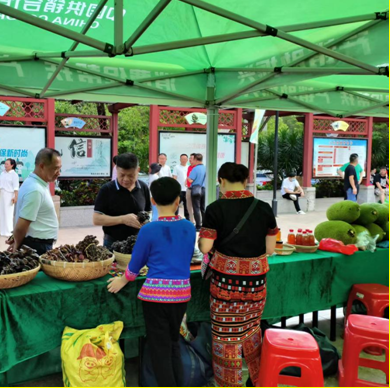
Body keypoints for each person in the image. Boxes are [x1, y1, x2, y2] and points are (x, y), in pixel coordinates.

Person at [108, 177, 194, 387]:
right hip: (181, 295)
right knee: (174, 343)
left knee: (159, 349)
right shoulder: (189, 227)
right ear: (178, 200)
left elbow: (135, 264)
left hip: (155, 299)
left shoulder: (148, 230)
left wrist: (123, 279)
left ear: (153, 201)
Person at [198, 163, 278, 387]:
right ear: (245, 181)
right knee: (252, 330)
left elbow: (205, 247)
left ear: (221, 181)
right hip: (256, 286)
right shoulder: (263, 208)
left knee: (225, 337)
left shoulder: (215, 209)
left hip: (225, 287)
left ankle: (229, 383)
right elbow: (270, 249)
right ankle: (257, 380)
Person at [93, 153, 151, 248]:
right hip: (112, 242)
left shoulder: (143, 187)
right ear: (116, 169)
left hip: (138, 241)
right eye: (122, 175)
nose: (126, 179)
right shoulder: (107, 189)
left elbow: (148, 212)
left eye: (131, 175)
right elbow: (96, 219)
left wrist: (146, 221)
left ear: (138, 170)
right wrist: (123, 219)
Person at [13, 148, 61, 254]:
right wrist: (16, 246)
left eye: (59, 168)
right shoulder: (35, 189)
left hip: (38, 244)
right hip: (37, 246)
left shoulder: (36, 183)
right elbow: (21, 225)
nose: (59, 173)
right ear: (42, 166)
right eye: (55, 168)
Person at [0, 158, 20, 236]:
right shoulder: (2, 173)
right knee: (2, 212)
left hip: (9, 195)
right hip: (2, 194)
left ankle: (9, 231)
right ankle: (3, 231)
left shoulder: (14, 175)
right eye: (5, 164)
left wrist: (15, 197)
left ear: (12, 165)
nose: (5, 165)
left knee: (8, 213)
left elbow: (16, 187)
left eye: (7, 164)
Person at [188, 153, 206, 231]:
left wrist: (188, 178)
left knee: (196, 208)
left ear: (195, 159)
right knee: (203, 208)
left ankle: (198, 226)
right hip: (204, 189)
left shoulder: (195, 169)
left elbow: (190, 180)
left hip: (196, 190)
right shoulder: (206, 168)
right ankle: (205, 224)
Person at [173, 153, 189, 220]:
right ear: (180, 160)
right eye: (182, 159)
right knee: (176, 204)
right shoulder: (176, 167)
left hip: (187, 189)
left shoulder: (189, 167)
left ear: (187, 160)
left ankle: (188, 219)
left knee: (187, 206)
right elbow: (174, 178)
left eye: (185, 159)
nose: (183, 160)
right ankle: (175, 218)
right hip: (179, 189)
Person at [185, 153, 197, 224]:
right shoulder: (189, 167)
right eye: (190, 158)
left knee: (195, 206)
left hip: (195, 189)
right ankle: (192, 221)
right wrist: (186, 180)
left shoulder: (197, 168)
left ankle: (197, 220)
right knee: (189, 206)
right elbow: (188, 176)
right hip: (189, 188)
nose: (190, 160)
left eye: (191, 158)